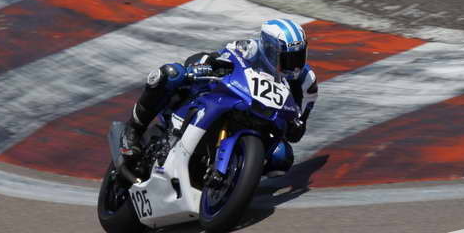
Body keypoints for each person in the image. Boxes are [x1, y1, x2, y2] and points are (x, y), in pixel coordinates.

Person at [121, 18, 318, 159]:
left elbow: (297, 131)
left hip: (264, 125)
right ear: (270, 50)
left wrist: (296, 125)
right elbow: (216, 57)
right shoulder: (249, 48)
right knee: (171, 74)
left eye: (299, 56)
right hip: (235, 100)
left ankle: (236, 176)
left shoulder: (307, 81)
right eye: (289, 58)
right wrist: (203, 65)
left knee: (282, 157)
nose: (295, 65)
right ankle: (133, 130)